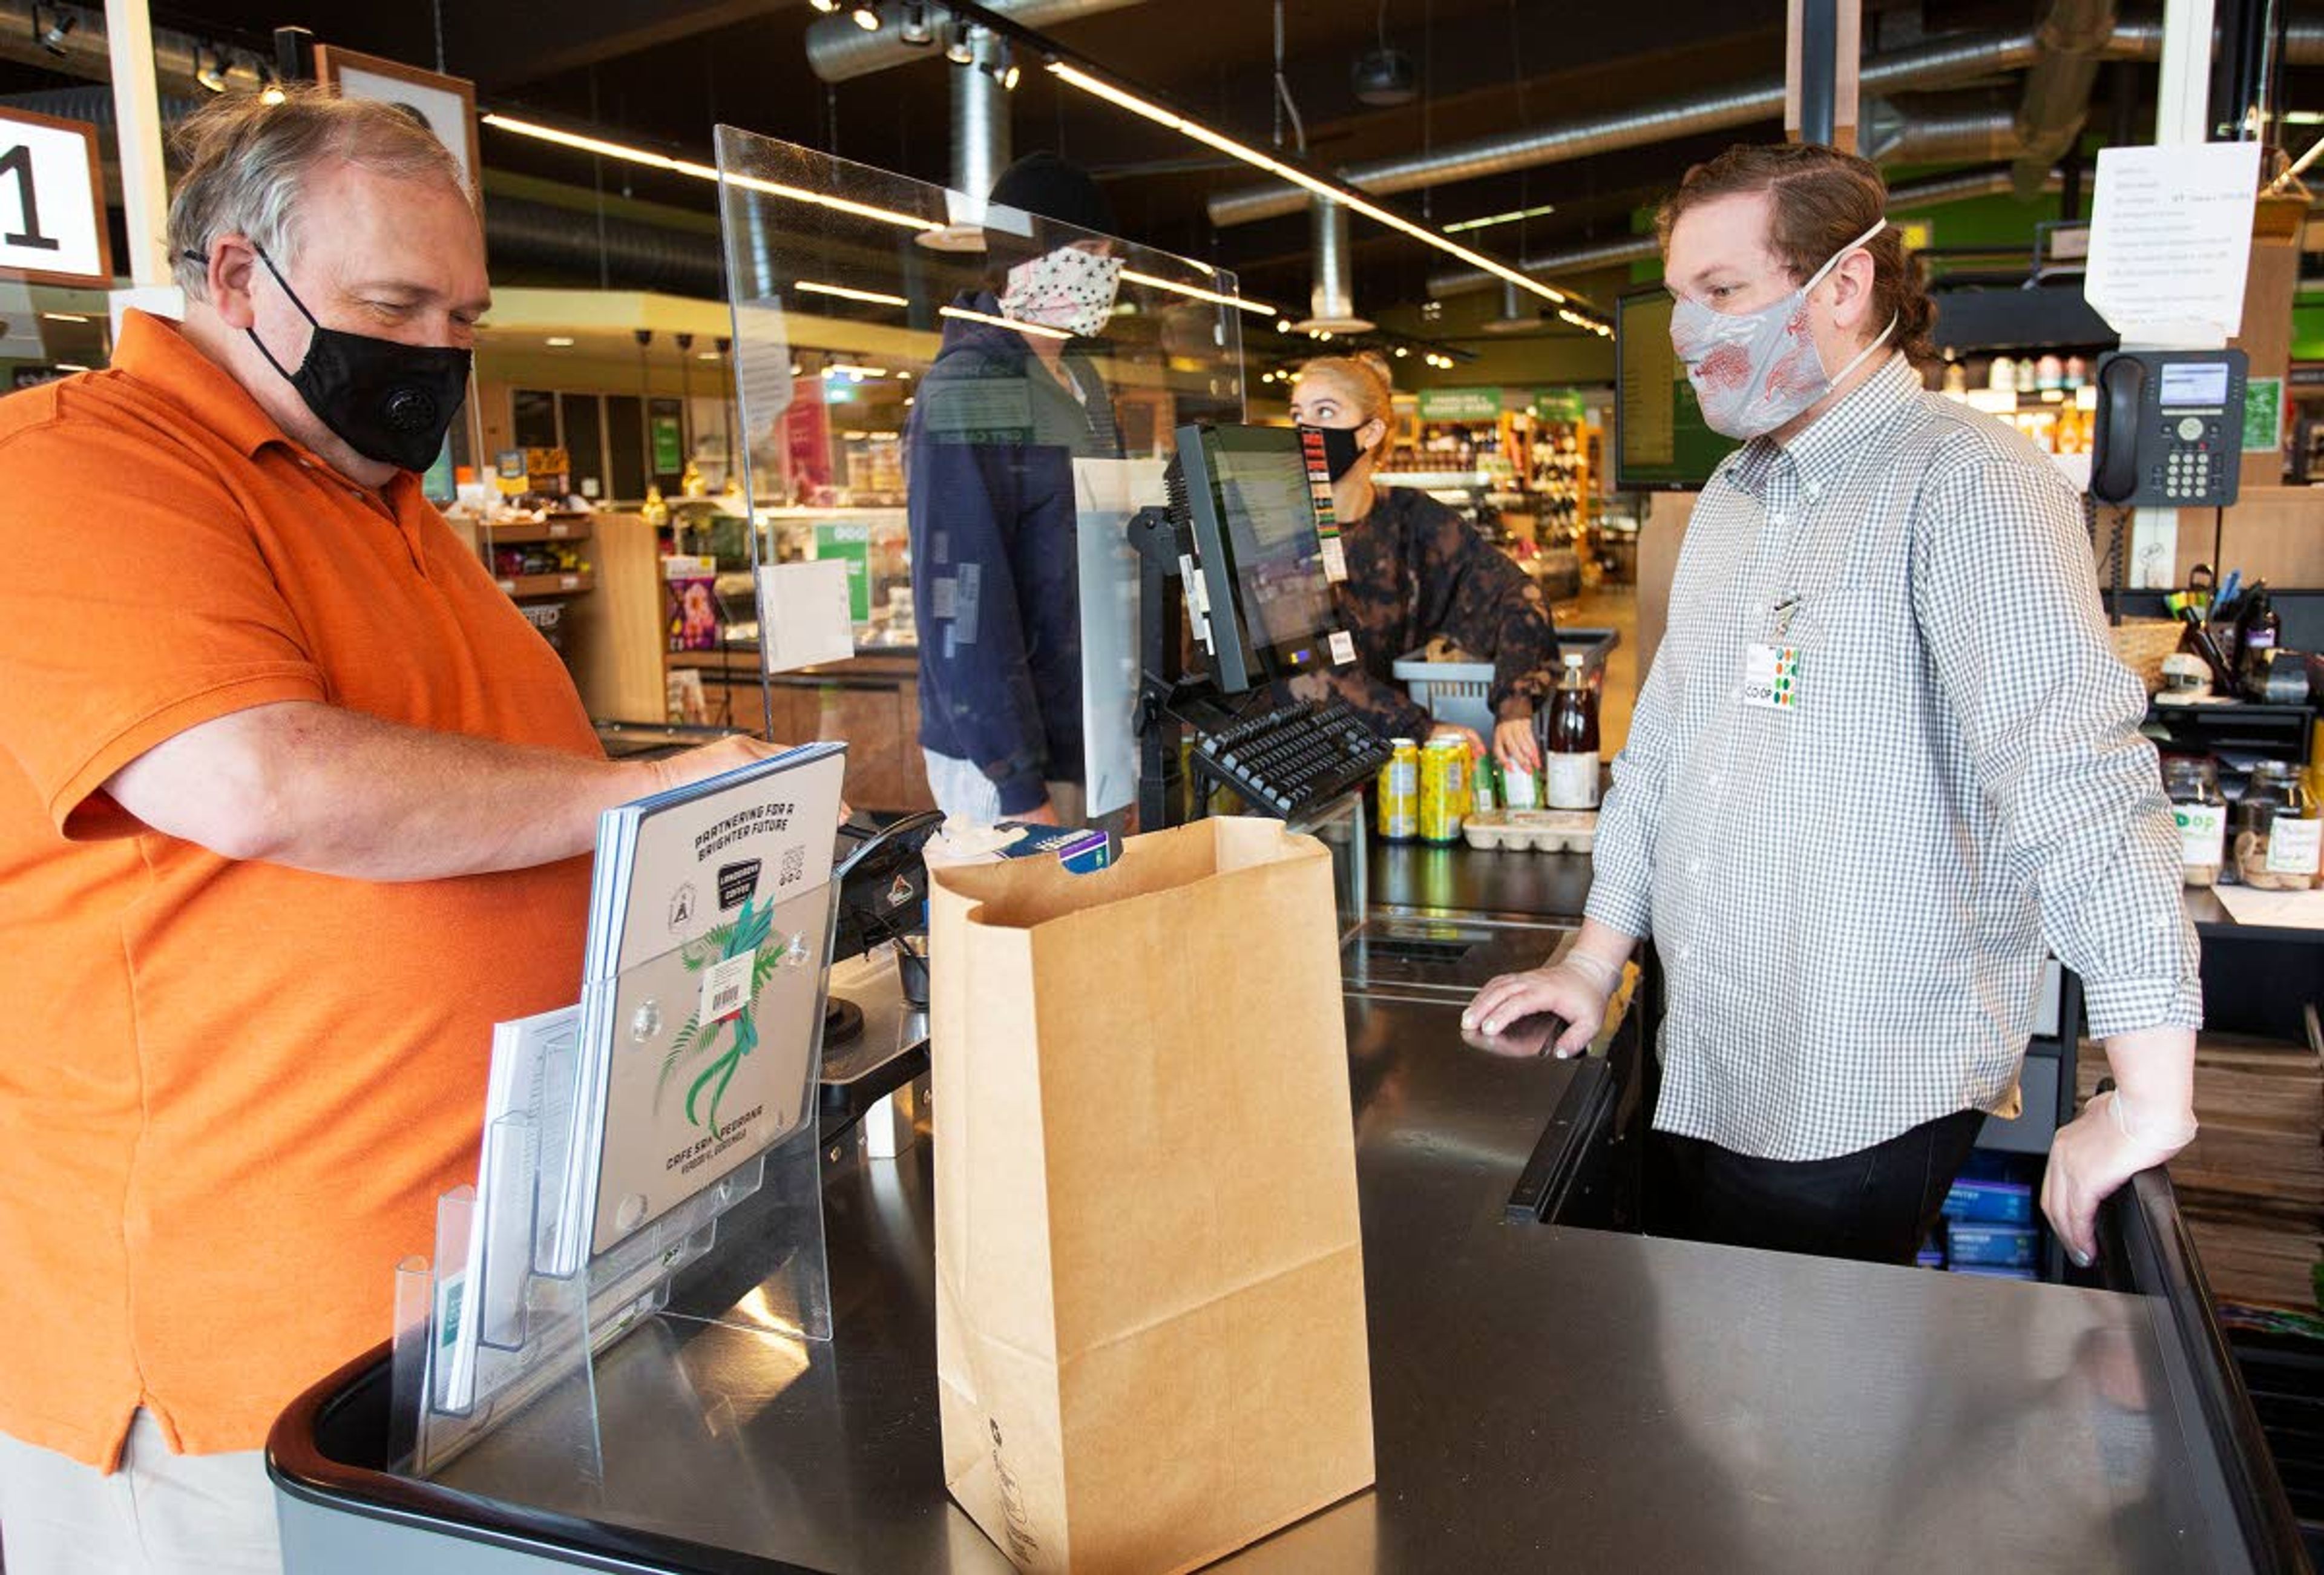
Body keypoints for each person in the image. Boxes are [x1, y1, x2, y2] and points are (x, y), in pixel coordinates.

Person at [0, 90, 781, 1574]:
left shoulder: (390, 508)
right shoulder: (72, 464)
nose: (433, 350)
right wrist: (640, 793)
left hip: (488, 1322)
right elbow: (250, 778)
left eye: (462, 315)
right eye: (391, 304)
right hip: (233, 1386)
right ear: (235, 280)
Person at [1463, 143, 2201, 1269]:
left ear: (1844, 287)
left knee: (1796, 1410)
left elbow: (2075, 768)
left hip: (1855, 1074)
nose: (1689, 333)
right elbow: (1665, 750)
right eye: (1679, 300)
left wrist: (2151, 1090)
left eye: (1725, 294)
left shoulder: (1966, 481)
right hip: (1709, 1042)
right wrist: (1592, 961)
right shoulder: (1735, 494)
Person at [909, 151, 1125, 825]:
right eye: (1094, 251)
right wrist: (1018, 788)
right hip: (1010, 763)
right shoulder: (971, 388)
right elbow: (961, 604)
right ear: (1038, 254)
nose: (1108, 272)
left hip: (1089, 736)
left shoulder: (1083, 384)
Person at [1287, 354, 1558, 775]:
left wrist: (1515, 705)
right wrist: (1421, 728)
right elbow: (1308, 672)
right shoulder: (1280, 533)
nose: (1307, 430)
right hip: (1299, 766)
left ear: (1371, 432)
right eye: (1297, 415)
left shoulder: (1411, 519)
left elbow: (1517, 594)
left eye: (1325, 412)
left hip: (1388, 767)